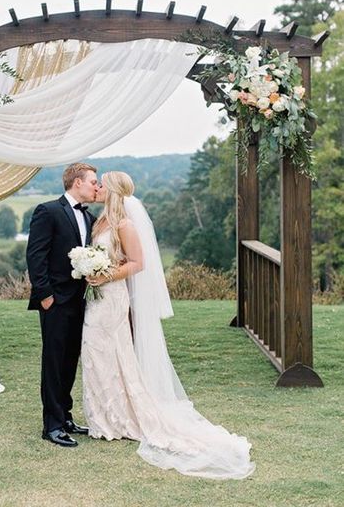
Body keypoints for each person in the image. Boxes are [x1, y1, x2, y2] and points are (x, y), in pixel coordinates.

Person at [81, 171, 255, 479]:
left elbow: (137, 263)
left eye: (102, 184)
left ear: (113, 191)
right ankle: (104, 417)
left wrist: (107, 275)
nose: (97, 188)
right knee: (96, 355)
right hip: (96, 298)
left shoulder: (124, 224)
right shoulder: (100, 222)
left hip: (112, 297)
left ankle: (119, 419)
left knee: (112, 352)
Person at [27, 162, 98, 447]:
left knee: (70, 361)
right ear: (76, 183)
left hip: (81, 300)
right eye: (93, 181)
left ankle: (66, 417)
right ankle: (52, 426)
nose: (96, 186)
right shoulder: (48, 211)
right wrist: (45, 295)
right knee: (54, 363)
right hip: (55, 302)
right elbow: (36, 255)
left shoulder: (90, 217)